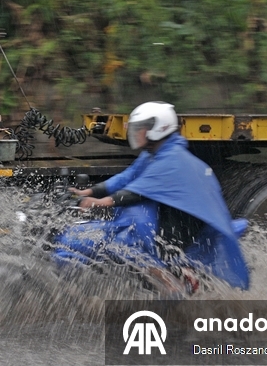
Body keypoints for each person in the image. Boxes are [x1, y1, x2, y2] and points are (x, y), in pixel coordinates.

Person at [54, 101, 250, 290]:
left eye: (141, 127)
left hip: (183, 226)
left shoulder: (171, 158)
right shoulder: (153, 154)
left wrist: (98, 203)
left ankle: (173, 285)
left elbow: (134, 193)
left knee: (128, 241)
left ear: (159, 129)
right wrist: (88, 191)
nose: (137, 132)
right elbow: (125, 177)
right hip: (174, 218)